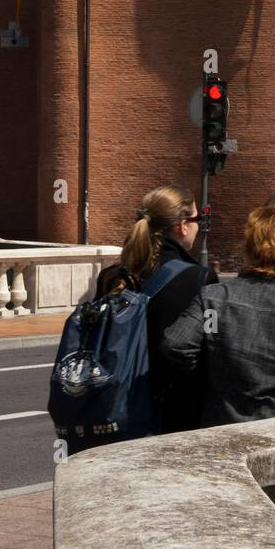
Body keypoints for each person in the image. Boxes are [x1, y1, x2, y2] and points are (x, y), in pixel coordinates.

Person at [161, 195, 275, 426]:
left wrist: (215, 374)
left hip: (221, 423)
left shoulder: (214, 299)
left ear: (250, 246)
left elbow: (176, 344)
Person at [95, 185, 218, 434]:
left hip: (116, 407)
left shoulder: (111, 276)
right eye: (197, 219)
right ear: (182, 225)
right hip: (175, 415)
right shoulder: (201, 279)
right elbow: (212, 344)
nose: (198, 226)